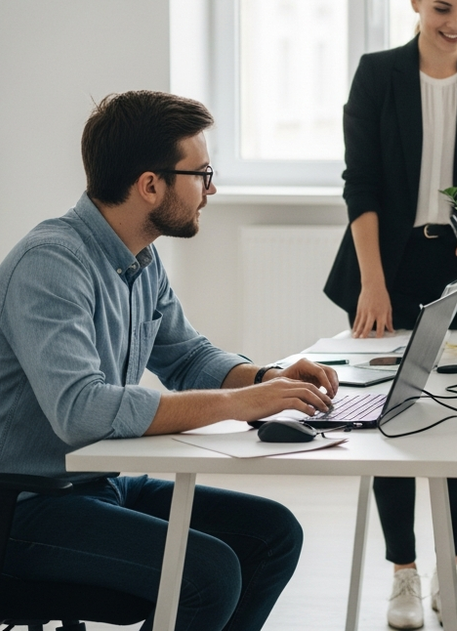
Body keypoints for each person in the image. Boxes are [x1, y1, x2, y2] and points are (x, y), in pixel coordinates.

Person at [0, 90, 340, 629]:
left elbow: (187, 356)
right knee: (209, 574)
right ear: (150, 185)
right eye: (202, 174)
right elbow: (81, 411)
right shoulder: (51, 265)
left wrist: (267, 378)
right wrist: (239, 403)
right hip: (26, 504)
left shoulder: (141, 259)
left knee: (273, 534)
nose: (211, 189)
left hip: (98, 485)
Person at [323, 0, 457, 629]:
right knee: (390, 414)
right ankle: (403, 572)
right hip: (388, 264)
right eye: (442, 8)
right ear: (414, 2)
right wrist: (371, 285)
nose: (455, 23)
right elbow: (361, 185)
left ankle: (450, 564)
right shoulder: (378, 73)